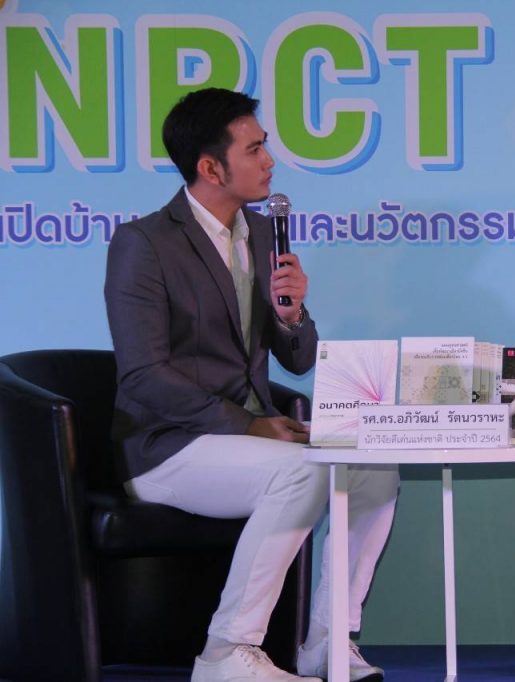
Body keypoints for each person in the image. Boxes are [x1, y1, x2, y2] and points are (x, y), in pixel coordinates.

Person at [104, 88, 399, 682]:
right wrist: (249, 425)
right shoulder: (145, 244)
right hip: (169, 445)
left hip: (250, 438)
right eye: (255, 149)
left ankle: (328, 641)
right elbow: (143, 374)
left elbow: (299, 358)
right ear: (211, 167)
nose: (269, 162)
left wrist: (292, 315)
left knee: (374, 470)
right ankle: (226, 652)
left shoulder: (263, 234)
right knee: (304, 471)